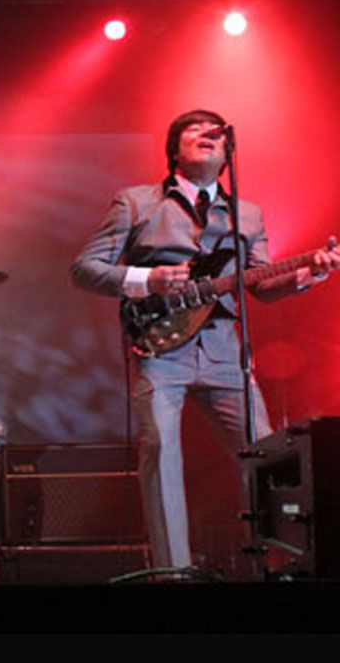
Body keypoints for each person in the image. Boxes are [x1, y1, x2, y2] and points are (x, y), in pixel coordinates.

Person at [71, 109, 340, 570]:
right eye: (194, 128)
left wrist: (309, 273)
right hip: (159, 348)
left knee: (268, 456)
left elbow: (261, 285)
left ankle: (278, 567)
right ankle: (172, 574)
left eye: (214, 130)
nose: (206, 134)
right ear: (174, 150)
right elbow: (84, 270)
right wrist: (148, 279)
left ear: (226, 150)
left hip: (223, 350)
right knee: (161, 455)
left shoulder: (246, 213)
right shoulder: (136, 202)